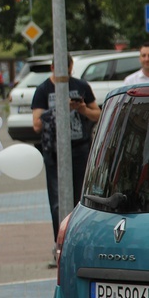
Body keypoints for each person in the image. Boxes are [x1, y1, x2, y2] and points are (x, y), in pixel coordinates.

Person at [31, 54, 101, 259]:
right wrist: (57, 111)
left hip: (80, 148)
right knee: (57, 202)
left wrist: (82, 108)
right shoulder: (43, 90)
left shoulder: (81, 86)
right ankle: (59, 245)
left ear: (71, 68)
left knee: (82, 200)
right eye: (60, 68)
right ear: (53, 67)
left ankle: (80, 243)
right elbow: (36, 124)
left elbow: (98, 114)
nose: (64, 72)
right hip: (54, 152)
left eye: (68, 68)